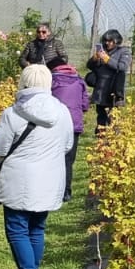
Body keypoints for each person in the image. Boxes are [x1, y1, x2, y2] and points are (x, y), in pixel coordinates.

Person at [0, 65, 73, 269]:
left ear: (23, 82)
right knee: (37, 227)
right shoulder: (62, 111)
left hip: (19, 179)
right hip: (50, 179)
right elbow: (67, 145)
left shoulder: (13, 113)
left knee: (17, 229)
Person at [47, 56, 88, 200]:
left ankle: (51, 189)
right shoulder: (79, 80)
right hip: (73, 125)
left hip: (55, 123)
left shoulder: (51, 81)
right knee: (69, 159)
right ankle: (66, 191)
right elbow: (85, 105)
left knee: (52, 156)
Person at [88, 30, 132, 131]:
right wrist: (95, 58)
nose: (107, 43)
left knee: (113, 120)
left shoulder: (124, 52)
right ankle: (100, 142)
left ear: (116, 41)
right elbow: (89, 66)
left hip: (114, 91)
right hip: (100, 91)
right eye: (106, 40)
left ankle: (113, 143)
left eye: (110, 41)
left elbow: (122, 67)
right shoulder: (102, 51)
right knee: (101, 118)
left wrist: (107, 59)